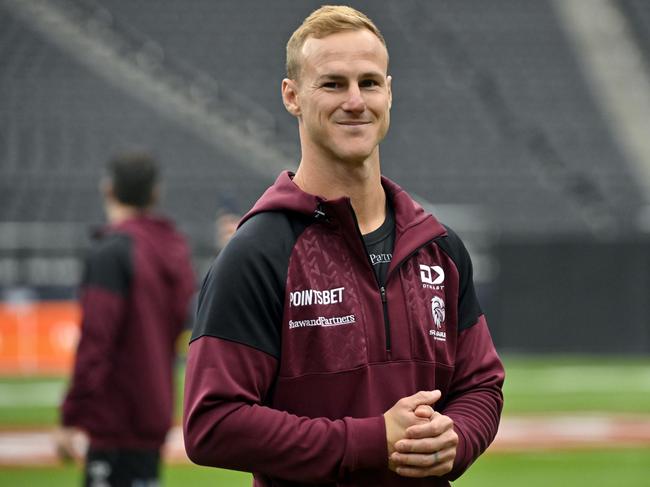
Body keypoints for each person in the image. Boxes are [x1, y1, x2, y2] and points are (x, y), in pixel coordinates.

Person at [183, 5, 504, 486]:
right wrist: (372, 440)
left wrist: (457, 437)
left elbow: (481, 385)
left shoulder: (438, 247)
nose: (355, 100)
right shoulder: (257, 253)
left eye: (370, 83)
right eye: (333, 84)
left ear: (390, 93)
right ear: (291, 96)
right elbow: (211, 424)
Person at [56, 153, 195, 486]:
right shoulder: (173, 249)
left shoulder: (111, 253)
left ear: (109, 189)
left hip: (116, 421)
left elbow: (95, 341)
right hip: (155, 410)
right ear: (155, 194)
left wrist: (71, 415)